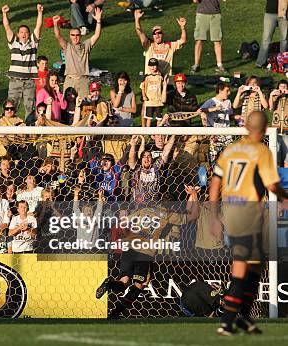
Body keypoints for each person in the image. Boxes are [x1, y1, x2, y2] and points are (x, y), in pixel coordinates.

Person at [210, 110, 288, 335]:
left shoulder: (230, 150)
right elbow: (272, 185)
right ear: (264, 129)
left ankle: (243, 317)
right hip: (248, 214)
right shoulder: (261, 151)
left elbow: (215, 185)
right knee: (242, 268)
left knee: (255, 266)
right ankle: (226, 322)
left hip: (230, 213)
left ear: (246, 127)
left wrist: (215, 217)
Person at [96, 185, 200, 319]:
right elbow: (193, 215)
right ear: (173, 205)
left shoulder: (145, 209)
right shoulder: (169, 215)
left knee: (124, 281)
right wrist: (194, 194)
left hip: (129, 247)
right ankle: (115, 313)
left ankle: (109, 284)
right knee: (139, 285)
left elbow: (124, 223)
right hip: (144, 252)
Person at [2, 4, 44, 118]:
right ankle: (8, 130)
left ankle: (28, 132)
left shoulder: (33, 44)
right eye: (21, 32)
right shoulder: (13, 43)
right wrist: (4, 14)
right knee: (10, 107)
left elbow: (38, 26)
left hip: (29, 81)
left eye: (26, 32)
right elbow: (7, 27)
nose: (24, 34)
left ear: (29, 34)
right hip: (15, 81)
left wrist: (40, 12)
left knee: (30, 108)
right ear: (18, 34)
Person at [52, 8, 102, 98]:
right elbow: (58, 36)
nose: (75, 37)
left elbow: (97, 35)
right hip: (70, 80)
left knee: (85, 106)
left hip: (83, 80)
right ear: (70, 36)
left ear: (80, 36)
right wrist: (55, 24)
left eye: (77, 35)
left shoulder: (86, 45)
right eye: (73, 35)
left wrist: (98, 21)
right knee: (67, 106)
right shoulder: (67, 46)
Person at [133, 9, 187, 76]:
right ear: (152, 35)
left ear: (163, 34)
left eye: (159, 32)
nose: (157, 35)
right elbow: (140, 32)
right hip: (150, 81)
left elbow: (183, 41)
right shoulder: (148, 45)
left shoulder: (170, 46)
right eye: (154, 33)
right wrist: (137, 20)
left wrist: (182, 27)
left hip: (166, 81)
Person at [191, 0, 225, 73]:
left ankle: (220, 65)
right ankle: (196, 64)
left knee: (217, 40)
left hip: (215, 14)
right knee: (199, 39)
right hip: (202, 14)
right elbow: (195, 1)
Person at [256, 0, 288, 68]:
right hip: (270, 13)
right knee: (266, 39)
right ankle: (260, 62)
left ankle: (282, 63)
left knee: (284, 39)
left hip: (284, 13)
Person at [141, 58, 168, 127]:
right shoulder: (146, 77)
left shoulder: (160, 76)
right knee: (149, 118)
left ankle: (157, 134)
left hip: (158, 101)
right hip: (149, 101)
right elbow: (143, 87)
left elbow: (163, 87)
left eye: (154, 65)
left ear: (157, 66)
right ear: (148, 66)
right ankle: (148, 133)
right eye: (151, 65)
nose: (153, 67)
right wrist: (144, 96)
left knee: (159, 118)